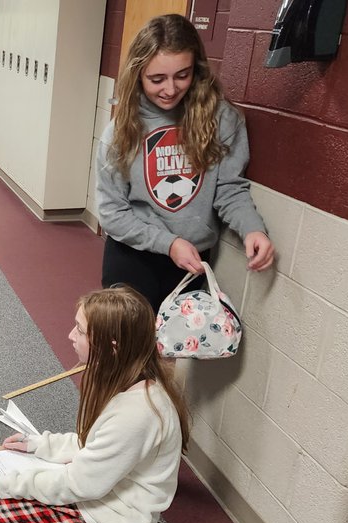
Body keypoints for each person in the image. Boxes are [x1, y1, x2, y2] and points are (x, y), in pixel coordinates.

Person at [0, 286, 189, 523]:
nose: (70, 335)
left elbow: (81, 484)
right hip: (101, 495)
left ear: (112, 346)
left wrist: (4, 484)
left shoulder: (136, 413)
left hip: (110, 520)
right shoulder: (126, 378)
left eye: (80, 330)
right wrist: (39, 445)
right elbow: (91, 445)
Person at [98, 14, 274, 312]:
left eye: (182, 75)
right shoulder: (120, 131)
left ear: (197, 70)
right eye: (157, 79)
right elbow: (112, 213)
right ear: (138, 74)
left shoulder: (223, 120)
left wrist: (253, 229)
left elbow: (230, 189)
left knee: (170, 353)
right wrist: (168, 243)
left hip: (191, 258)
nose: (170, 89)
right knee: (125, 353)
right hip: (133, 256)